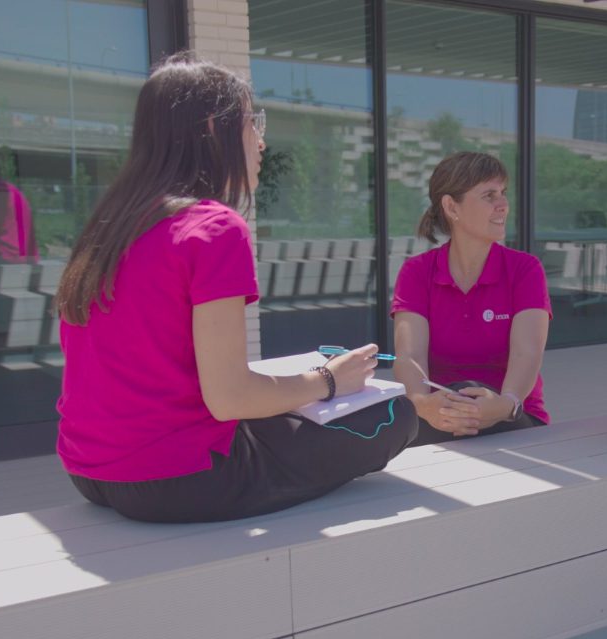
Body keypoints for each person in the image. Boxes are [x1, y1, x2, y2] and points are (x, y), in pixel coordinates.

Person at [54, 53, 416, 523]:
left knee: (284, 407)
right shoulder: (213, 228)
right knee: (395, 415)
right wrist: (331, 380)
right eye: (253, 122)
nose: (261, 141)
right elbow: (229, 399)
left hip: (89, 470)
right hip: (179, 479)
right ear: (212, 126)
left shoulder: (113, 224)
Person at [391, 151, 551, 446]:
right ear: (452, 206)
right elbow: (409, 356)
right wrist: (420, 403)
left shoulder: (525, 269)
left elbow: (527, 353)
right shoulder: (417, 272)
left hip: (513, 418)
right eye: (489, 195)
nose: (503, 204)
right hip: (440, 416)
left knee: (466, 392)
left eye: (503, 193)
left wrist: (506, 404)